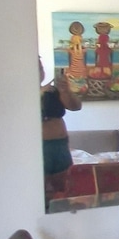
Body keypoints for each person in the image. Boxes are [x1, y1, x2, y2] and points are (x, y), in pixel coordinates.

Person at [40, 57, 82, 198]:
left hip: (60, 145)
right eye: (36, 68)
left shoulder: (52, 91)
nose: (40, 71)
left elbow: (76, 106)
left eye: (41, 67)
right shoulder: (22, 95)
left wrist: (65, 91)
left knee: (65, 187)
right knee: (42, 188)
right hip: (40, 147)